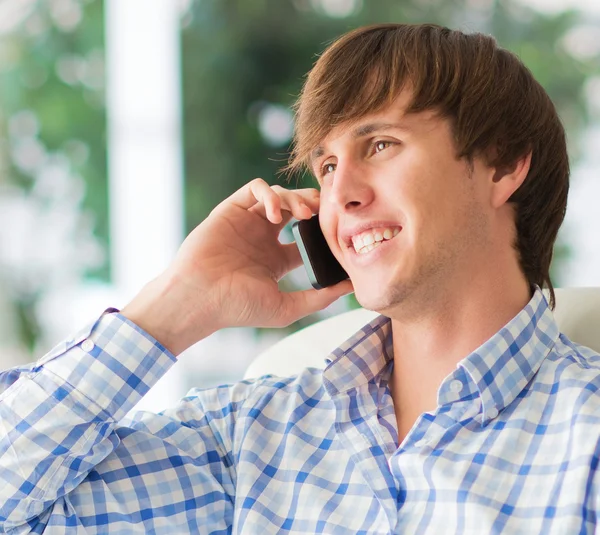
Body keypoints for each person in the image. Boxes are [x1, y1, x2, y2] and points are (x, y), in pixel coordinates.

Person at [0, 22, 598, 534]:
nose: (342, 194)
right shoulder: (251, 437)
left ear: (502, 165)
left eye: (381, 144)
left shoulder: (587, 438)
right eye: (327, 165)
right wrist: (176, 303)